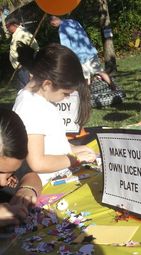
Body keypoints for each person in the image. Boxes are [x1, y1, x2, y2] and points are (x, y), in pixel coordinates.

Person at [13, 43, 96, 186]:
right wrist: (74, 158)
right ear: (47, 85)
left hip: (58, 176)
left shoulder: (41, 101)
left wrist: (74, 149)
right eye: (65, 93)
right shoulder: (30, 107)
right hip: (46, 186)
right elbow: (37, 162)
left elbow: (53, 145)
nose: (68, 98)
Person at [0, 108, 42, 227]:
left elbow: (30, 175)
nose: (3, 182)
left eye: (10, 173)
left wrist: (27, 189)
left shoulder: (7, 157)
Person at [49, 15, 114, 87]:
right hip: (90, 51)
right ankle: (114, 87)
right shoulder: (73, 21)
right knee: (100, 71)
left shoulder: (62, 29)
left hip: (80, 56)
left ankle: (87, 95)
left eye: (52, 25)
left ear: (53, 22)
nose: (54, 26)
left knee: (85, 78)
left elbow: (66, 46)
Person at [5, 16, 39, 90]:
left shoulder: (22, 33)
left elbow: (35, 49)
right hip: (21, 68)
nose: (7, 28)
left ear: (14, 25)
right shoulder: (17, 34)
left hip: (25, 68)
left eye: (7, 26)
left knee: (28, 90)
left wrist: (31, 70)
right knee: (24, 89)